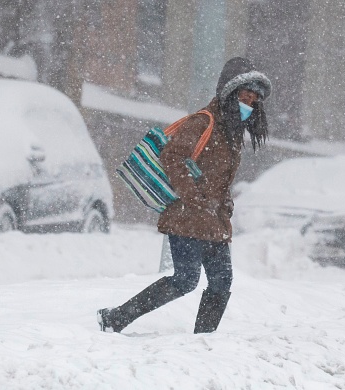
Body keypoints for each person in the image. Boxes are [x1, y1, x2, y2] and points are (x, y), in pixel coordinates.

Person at [97, 57, 272, 334]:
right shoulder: (204, 122)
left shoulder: (232, 133)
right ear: (229, 92)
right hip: (187, 217)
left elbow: (217, 176)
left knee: (222, 282)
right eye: (244, 96)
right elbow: (173, 156)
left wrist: (224, 202)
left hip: (213, 219)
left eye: (253, 100)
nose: (249, 104)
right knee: (185, 279)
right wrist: (194, 197)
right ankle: (116, 318)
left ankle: (203, 340)